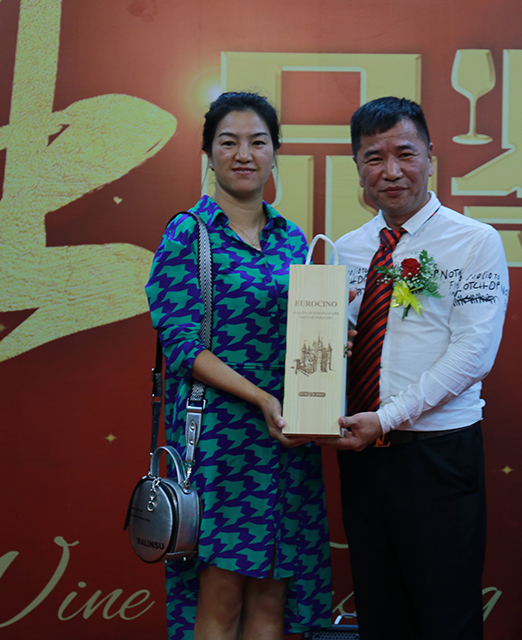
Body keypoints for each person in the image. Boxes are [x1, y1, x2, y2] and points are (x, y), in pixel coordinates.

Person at [321, 97, 509, 640]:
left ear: (430, 156)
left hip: (437, 455)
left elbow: (474, 354)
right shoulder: (346, 250)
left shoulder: (474, 241)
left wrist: (386, 417)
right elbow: (334, 346)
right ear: (358, 167)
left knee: (445, 615)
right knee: (380, 613)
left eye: (405, 153)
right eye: (373, 158)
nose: (391, 171)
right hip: (363, 456)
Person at [145, 92, 332, 640]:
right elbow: (182, 346)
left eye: (258, 142)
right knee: (220, 600)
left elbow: (300, 333)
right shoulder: (189, 234)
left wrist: (329, 345)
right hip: (220, 444)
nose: (244, 154)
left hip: (288, 440)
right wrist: (261, 398)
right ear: (208, 154)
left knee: (273, 600)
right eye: (229, 142)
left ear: (276, 152)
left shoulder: (292, 238)